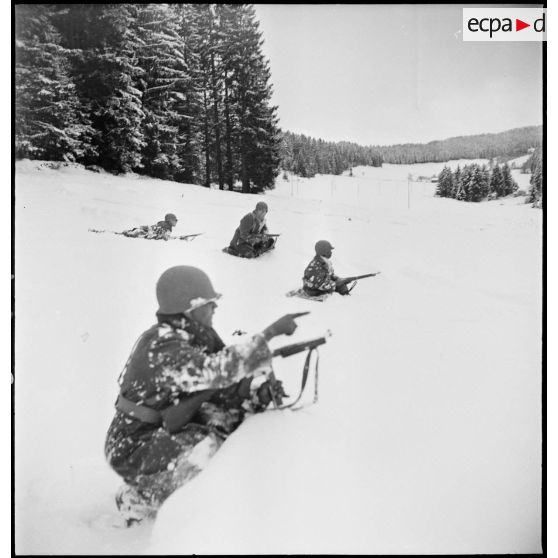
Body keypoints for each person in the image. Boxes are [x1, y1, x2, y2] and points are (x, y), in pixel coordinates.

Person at [104, 265, 302, 525]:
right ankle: (140, 499)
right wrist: (269, 335)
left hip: (162, 426)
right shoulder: (162, 345)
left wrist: (254, 393)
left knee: (228, 420)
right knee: (205, 446)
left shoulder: (196, 336)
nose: (214, 308)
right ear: (190, 308)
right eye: (209, 303)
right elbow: (217, 371)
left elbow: (219, 386)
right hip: (131, 444)